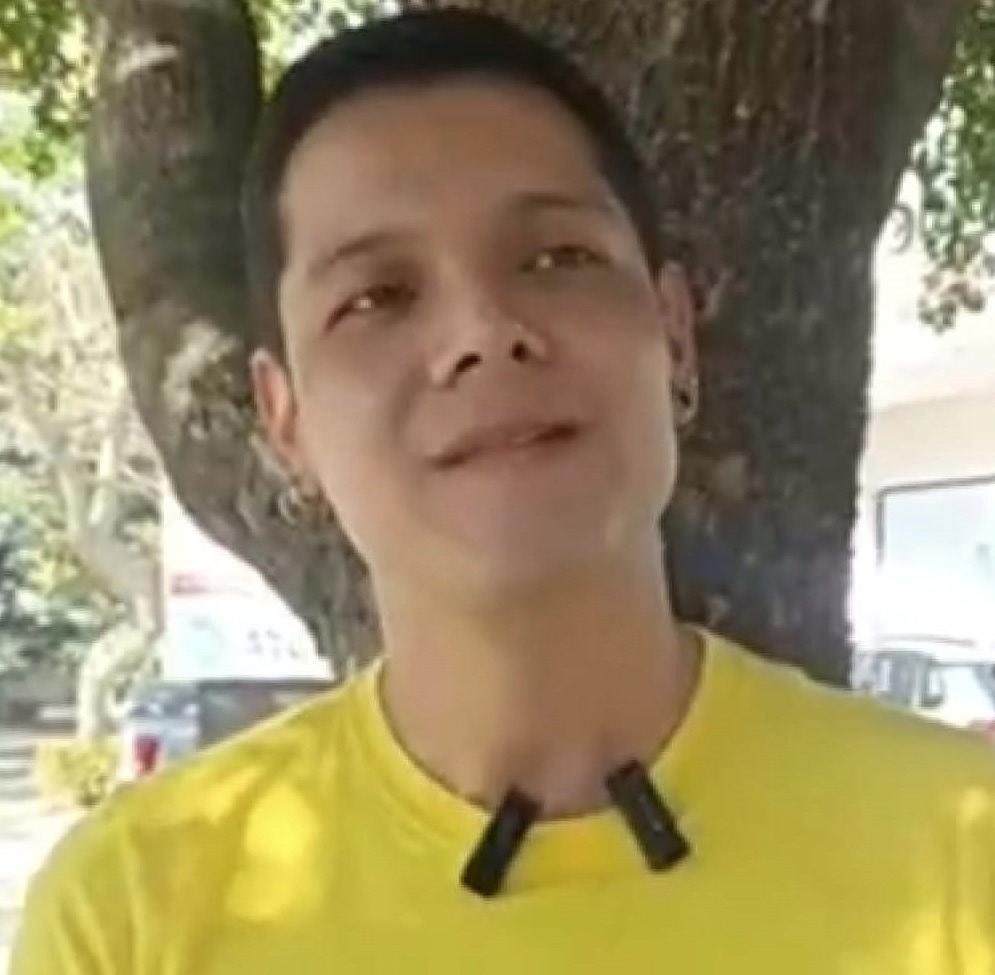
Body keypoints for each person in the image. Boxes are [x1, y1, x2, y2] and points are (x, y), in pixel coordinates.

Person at [13, 9, 995, 973]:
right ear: (286, 418)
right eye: (376, 296)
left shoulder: (962, 848)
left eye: (557, 257)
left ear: (672, 336)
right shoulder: (133, 915)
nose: (483, 330)